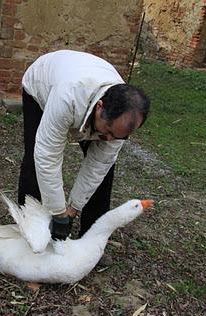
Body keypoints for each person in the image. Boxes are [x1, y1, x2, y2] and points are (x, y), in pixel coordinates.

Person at [18, 49, 150, 240]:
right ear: (99, 108)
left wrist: (72, 209)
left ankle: (91, 236)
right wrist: (58, 212)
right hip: (41, 86)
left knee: (105, 173)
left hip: (84, 86)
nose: (111, 139)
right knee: (34, 161)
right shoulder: (67, 97)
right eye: (109, 131)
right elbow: (47, 156)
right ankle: (30, 229)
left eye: (119, 136)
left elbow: (97, 167)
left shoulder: (120, 123)